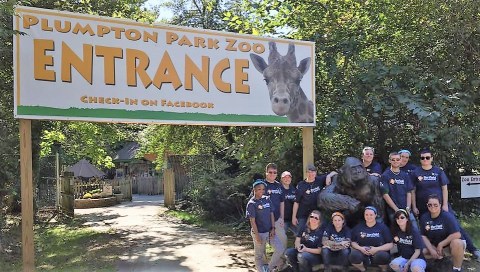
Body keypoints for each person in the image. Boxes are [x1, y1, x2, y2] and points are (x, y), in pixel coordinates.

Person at [410, 149, 480, 261]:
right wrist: (414, 206)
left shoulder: (438, 171)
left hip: (440, 206)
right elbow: (412, 191)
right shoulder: (415, 173)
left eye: (427, 157)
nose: (425, 160)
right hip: (424, 207)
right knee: (427, 229)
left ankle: (473, 250)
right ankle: (436, 251)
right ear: (420, 159)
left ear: (432, 158)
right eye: (423, 158)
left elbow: (444, 188)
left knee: (456, 227)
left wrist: (445, 205)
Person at [318, 157, 386, 227]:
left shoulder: (373, 181)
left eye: (359, 167)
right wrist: (349, 202)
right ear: (346, 171)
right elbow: (323, 198)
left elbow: (379, 211)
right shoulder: (339, 179)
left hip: (367, 217)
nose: (358, 171)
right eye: (354, 168)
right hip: (345, 216)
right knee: (326, 211)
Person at [246, 179, 285, 272]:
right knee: (259, 255)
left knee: (280, 248)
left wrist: (273, 228)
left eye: (263, 189)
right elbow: (252, 221)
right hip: (259, 232)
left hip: (269, 231)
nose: (262, 191)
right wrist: (257, 236)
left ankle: (268, 269)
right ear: (254, 190)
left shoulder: (267, 199)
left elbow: (271, 214)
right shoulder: (251, 204)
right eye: (259, 189)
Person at [420, 194, 465, 272]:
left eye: (435, 205)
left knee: (457, 243)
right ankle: (436, 262)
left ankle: (457, 269)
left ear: (440, 205)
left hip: (448, 246)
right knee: (420, 252)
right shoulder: (424, 217)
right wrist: (431, 249)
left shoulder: (447, 216)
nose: (432, 207)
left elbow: (457, 234)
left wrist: (441, 244)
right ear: (427, 205)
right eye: (430, 205)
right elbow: (423, 236)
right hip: (434, 246)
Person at [349, 206, 393, 272]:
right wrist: (360, 248)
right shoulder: (359, 227)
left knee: (383, 256)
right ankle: (363, 270)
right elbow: (353, 242)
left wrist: (376, 249)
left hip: (378, 252)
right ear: (364, 215)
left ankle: (384, 270)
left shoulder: (383, 227)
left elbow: (390, 244)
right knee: (353, 256)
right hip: (363, 252)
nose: (368, 216)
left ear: (375, 215)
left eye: (371, 215)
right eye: (366, 214)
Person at [380, 152, 415, 224]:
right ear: (389, 161)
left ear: (400, 160)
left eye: (397, 159)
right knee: (397, 232)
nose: (395, 161)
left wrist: (408, 208)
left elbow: (409, 192)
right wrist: (396, 209)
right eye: (393, 159)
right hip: (393, 211)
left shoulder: (405, 175)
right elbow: (385, 194)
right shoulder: (385, 175)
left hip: (406, 210)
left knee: (414, 229)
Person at [292, 164, 327, 232]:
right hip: (303, 214)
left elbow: (333, 173)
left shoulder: (319, 180)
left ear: (316, 172)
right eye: (309, 172)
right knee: (300, 234)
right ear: (306, 173)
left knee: (318, 232)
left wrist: (329, 176)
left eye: (312, 172)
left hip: (316, 213)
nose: (311, 174)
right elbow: (296, 202)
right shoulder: (301, 185)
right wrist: (294, 217)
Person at [263, 163, 288, 254]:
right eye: (270, 172)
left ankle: (282, 265)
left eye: (274, 173)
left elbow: (282, 202)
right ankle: (264, 266)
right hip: (264, 221)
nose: (272, 174)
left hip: (277, 219)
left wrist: (282, 217)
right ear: (266, 173)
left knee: (283, 239)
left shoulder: (279, 185)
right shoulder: (261, 185)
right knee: (263, 244)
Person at [280, 171, 297, 237]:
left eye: (289, 177)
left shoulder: (293, 189)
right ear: (281, 179)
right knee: (281, 238)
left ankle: (298, 246)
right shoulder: (278, 189)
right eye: (285, 177)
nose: (287, 179)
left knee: (300, 235)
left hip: (293, 219)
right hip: (283, 220)